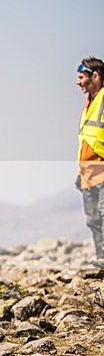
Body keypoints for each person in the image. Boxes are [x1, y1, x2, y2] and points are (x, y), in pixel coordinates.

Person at [75, 57, 104, 267]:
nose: (77, 82)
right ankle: (102, 258)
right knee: (93, 219)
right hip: (88, 172)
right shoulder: (89, 104)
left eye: (81, 77)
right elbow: (86, 141)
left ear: (95, 76)